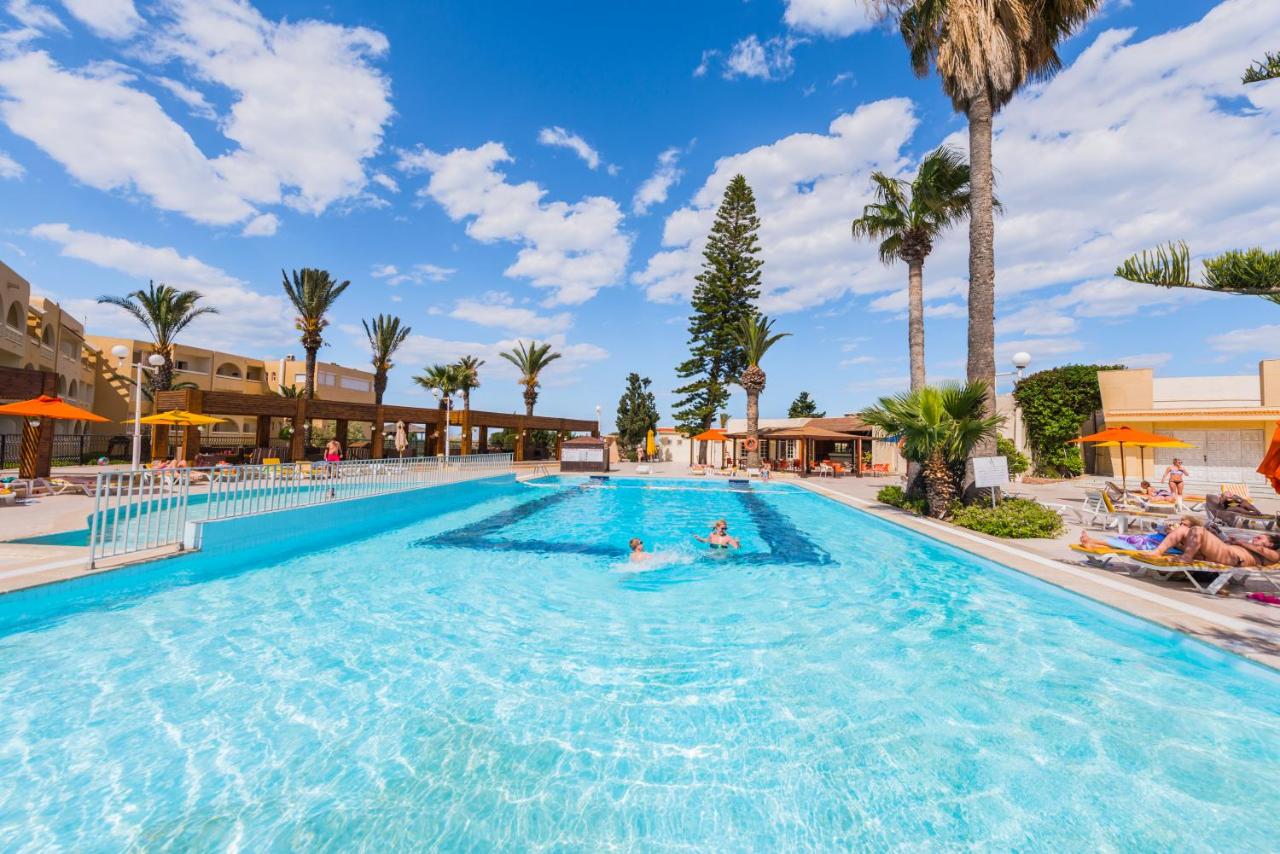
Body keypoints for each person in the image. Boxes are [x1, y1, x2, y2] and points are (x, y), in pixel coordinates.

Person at [1145, 523, 1279, 568]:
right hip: (1221, 552)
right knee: (1183, 529)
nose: (1255, 538)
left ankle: (1186, 557)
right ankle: (1157, 552)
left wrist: (1239, 543)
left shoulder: (1273, 555)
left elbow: (1262, 550)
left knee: (1198, 530)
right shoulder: (1248, 547)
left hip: (1232, 557)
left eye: (1259, 538)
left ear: (1270, 544)